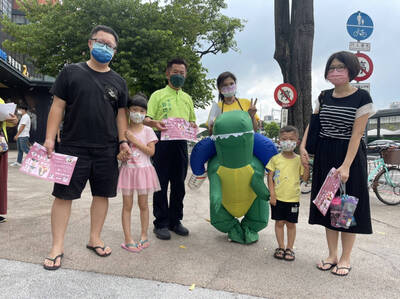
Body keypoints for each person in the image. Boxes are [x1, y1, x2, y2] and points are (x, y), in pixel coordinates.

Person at [42, 25, 130, 270]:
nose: (106, 48)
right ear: (91, 43)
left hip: (107, 149)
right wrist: (50, 138)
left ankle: (95, 238)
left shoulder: (119, 82)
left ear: (115, 51)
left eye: (111, 46)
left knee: (102, 195)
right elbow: (57, 107)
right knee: (62, 196)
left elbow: (121, 115)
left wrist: (123, 140)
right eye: (101, 42)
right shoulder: (70, 72)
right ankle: (57, 245)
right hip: (71, 146)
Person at [300, 51, 374, 276]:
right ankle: (331, 254)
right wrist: (303, 148)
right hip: (325, 154)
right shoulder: (323, 96)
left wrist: (346, 166)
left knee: (345, 208)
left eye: (340, 67)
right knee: (327, 206)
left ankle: (345, 257)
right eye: (331, 67)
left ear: (351, 69)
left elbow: (357, 133)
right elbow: (313, 125)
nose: (335, 71)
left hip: (348, 156)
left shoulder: (362, 98)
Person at [144, 58, 196, 240]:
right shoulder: (157, 95)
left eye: (182, 73)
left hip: (181, 143)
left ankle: (176, 221)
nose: (179, 76)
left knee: (179, 184)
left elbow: (192, 121)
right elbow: (146, 119)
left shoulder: (188, 98)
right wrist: (154, 122)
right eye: (175, 72)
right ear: (167, 73)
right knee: (161, 183)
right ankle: (161, 223)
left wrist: (193, 126)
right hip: (162, 141)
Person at [117, 94, 160, 252]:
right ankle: (128, 238)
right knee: (127, 206)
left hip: (144, 171)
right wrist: (120, 155)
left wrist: (134, 140)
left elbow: (151, 151)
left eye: (142, 111)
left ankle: (144, 235)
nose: (138, 113)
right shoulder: (123, 130)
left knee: (143, 205)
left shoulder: (148, 130)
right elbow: (118, 154)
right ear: (129, 111)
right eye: (135, 110)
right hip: (128, 171)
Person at [267, 126, 309, 261]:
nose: (287, 142)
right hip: (278, 198)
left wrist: (306, 165)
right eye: (284, 139)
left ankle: (290, 248)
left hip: (293, 199)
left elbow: (305, 178)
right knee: (279, 222)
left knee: (291, 224)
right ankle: (280, 246)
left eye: (291, 139)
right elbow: (270, 177)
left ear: (297, 142)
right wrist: (272, 194)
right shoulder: (275, 159)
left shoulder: (298, 160)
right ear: (279, 141)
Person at [0, 97, 18, 223]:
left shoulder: (0, 101)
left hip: (1, 145)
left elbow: (9, 122)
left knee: (1, 180)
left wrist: (14, 120)